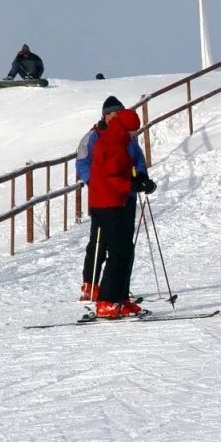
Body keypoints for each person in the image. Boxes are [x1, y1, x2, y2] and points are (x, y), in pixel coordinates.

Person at [75, 95, 153, 305]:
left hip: (125, 196)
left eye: (119, 113)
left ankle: (120, 290)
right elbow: (83, 163)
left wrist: (141, 178)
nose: (115, 116)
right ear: (105, 115)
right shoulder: (94, 137)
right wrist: (95, 183)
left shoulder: (127, 137)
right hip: (106, 198)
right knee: (100, 243)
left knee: (124, 244)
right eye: (112, 114)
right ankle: (92, 285)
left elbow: (137, 159)